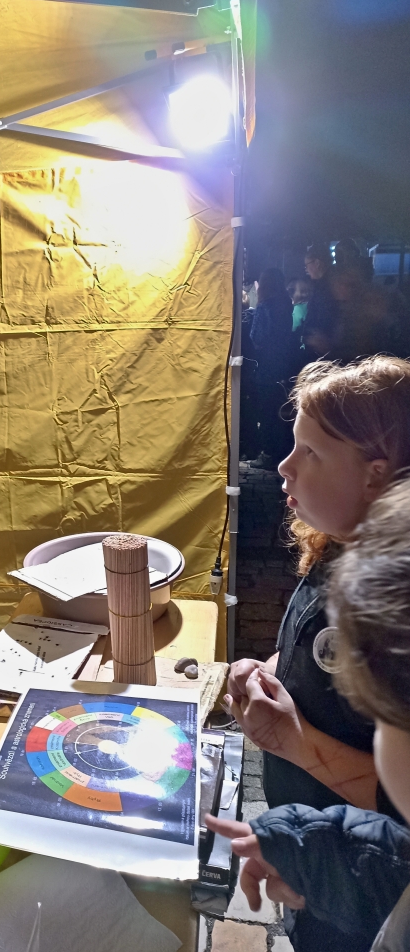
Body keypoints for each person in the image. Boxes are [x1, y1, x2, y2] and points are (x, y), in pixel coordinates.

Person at [226, 356, 410, 951]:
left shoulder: (396, 608)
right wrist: (268, 670)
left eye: (310, 452)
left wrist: (293, 741)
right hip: (318, 848)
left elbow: (402, 802)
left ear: (375, 475)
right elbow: (312, 656)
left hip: (363, 889)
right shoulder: (338, 549)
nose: (284, 466)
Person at [248, 268, 296, 468]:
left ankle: (268, 453)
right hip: (283, 364)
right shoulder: (285, 303)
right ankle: (281, 452)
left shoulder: (265, 305)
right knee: (279, 408)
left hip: (267, 365)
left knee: (266, 409)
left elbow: (256, 337)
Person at [302, 242, 338, 357]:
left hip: (325, 349)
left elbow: (325, 315)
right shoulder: (323, 284)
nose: (306, 270)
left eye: (307, 265)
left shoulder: (326, 287)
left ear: (317, 263)